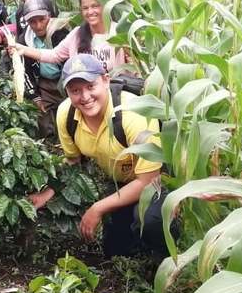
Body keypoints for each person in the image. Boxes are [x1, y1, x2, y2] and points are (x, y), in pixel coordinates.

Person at [28, 54, 175, 258]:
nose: (85, 96)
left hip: (156, 181)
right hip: (121, 183)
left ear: (106, 80)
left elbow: (148, 181)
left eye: (90, 86)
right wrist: (48, 193)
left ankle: (168, 263)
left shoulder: (132, 113)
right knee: (114, 251)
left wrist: (98, 208)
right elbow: (73, 162)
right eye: (75, 90)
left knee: (151, 222)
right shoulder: (66, 114)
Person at [9, 0, 129, 74]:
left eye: (95, 6)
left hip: (116, 95)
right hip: (86, 96)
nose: (90, 11)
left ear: (105, 6)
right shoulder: (77, 35)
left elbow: (134, 68)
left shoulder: (120, 33)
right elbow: (54, 55)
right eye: (85, 8)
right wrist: (21, 48)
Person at [15, 0, 69, 139]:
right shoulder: (23, 40)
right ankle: (51, 146)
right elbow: (24, 71)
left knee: (69, 117)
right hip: (44, 82)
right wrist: (35, 96)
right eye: (32, 22)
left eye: (42, 20)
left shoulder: (61, 33)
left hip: (64, 79)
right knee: (44, 121)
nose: (38, 25)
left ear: (49, 16)